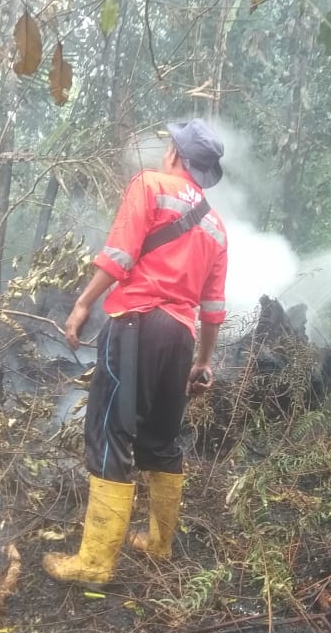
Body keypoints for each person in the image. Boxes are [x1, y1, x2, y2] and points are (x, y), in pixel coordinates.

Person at [43, 119, 228, 585]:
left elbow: (120, 256)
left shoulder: (149, 185)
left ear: (175, 156)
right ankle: (160, 545)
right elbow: (213, 307)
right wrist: (204, 362)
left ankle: (94, 565)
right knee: (160, 442)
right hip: (181, 338)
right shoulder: (216, 225)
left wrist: (83, 304)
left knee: (110, 434)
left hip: (137, 324)